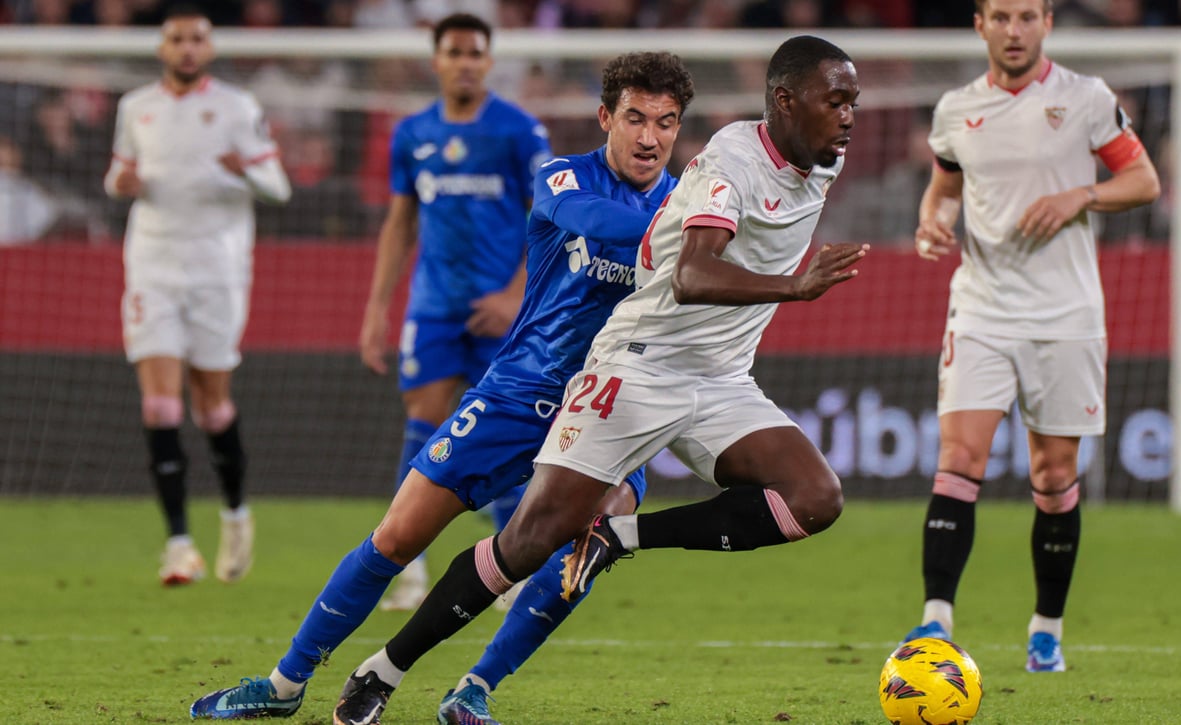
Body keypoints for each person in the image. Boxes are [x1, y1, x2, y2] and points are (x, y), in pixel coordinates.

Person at [329, 35, 866, 725]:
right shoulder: (731, 165)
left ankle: (621, 539)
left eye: (853, 102)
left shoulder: (823, 157)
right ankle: (385, 668)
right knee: (529, 540)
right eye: (837, 101)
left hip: (721, 379)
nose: (849, 117)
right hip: (640, 364)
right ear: (786, 102)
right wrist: (795, 286)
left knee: (815, 497)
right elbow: (693, 273)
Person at [188, 50, 695, 721]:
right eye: (635, 118)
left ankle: (474, 688)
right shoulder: (566, 180)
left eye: (666, 122)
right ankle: (285, 683)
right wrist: (703, 226)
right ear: (606, 117)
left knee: (592, 544)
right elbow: (603, 225)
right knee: (396, 537)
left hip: (607, 413)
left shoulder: (685, 200)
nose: (650, 137)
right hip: (517, 394)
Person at [904, 0, 1160, 672]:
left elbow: (1144, 179)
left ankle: (1046, 627)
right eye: (1000, 17)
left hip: (1067, 313)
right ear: (979, 25)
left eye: (1026, 16)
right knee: (959, 458)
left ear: (1047, 22)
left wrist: (1084, 195)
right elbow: (943, 189)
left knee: (1054, 475)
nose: (1013, 31)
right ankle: (935, 623)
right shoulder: (955, 108)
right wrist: (933, 220)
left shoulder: (1086, 99)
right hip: (983, 306)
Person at [357, 12, 553, 611]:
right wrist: (375, 310)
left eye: (475, 52)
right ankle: (408, 566)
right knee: (424, 427)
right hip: (435, 308)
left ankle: (508, 564)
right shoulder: (412, 133)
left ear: (489, 61)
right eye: (455, 52)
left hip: (504, 313)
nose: (465, 62)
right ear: (436, 60)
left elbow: (549, 219)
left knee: (510, 434)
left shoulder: (519, 131)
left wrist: (514, 294)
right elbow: (399, 223)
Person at [102, 4, 291, 587]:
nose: (186, 48)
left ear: (208, 49)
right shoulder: (136, 107)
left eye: (196, 39)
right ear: (162, 47)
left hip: (218, 268)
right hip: (152, 266)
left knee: (212, 406)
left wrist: (246, 171)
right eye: (177, 39)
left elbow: (278, 189)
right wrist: (121, 183)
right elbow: (116, 176)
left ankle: (235, 515)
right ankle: (180, 544)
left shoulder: (238, 108)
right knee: (159, 405)